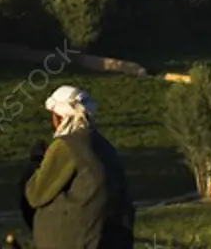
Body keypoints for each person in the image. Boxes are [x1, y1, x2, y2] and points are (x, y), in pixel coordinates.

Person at [20, 85, 134, 249]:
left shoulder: (66, 145)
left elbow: (35, 194)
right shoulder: (104, 145)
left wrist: (37, 162)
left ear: (59, 118)